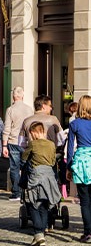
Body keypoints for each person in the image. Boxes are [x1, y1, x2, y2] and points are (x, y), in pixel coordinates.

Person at [22, 121, 61, 246]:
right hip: (49, 176)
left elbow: (24, 158)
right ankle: (41, 233)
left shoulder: (32, 144)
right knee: (44, 205)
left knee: (33, 203)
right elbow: (53, 160)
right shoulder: (51, 144)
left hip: (36, 176)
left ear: (33, 132)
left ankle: (38, 233)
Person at [2, 86, 34, 202]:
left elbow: (7, 128)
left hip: (14, 141)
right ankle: (28, 190)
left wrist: (4, 145)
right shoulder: (29, 109)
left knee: (14, 168)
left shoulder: (10, 109)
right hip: (26, 142)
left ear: (13, 96)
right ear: (22, 96)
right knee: (26, 166)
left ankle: (16, 192)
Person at [67, 95, 91, 243]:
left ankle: (88, 232)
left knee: (85, 200)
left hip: (82, 161)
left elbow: (70, 147)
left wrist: (69, 167)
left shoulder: (74, 124)